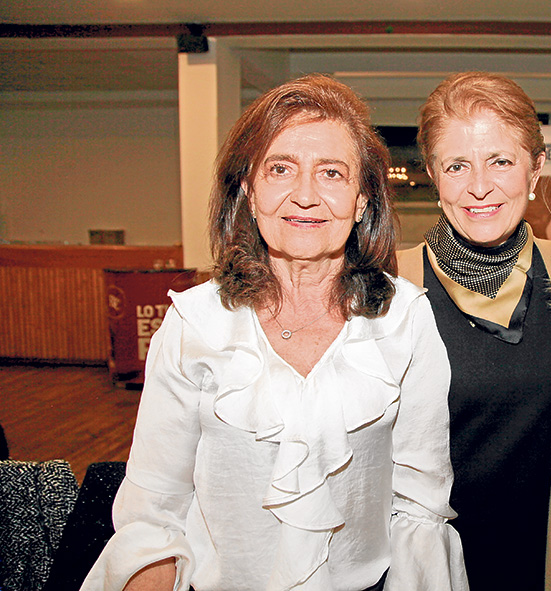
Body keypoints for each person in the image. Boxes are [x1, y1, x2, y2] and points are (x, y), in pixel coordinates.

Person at [82, 74, 466, 591]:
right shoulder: (193, 323)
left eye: (331, 173)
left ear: (361, 201)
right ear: (249, 189)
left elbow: (419, 507)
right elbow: (155, 509)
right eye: (280, 169)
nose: (305, 195)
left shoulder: (406, 320)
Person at [397, 72, 551, 591]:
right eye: (457, 165)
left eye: (500, 161)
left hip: (540, 554)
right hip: (426, 566)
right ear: (434, 176)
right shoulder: (390, 289)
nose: (479, 187)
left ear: (535, 168)